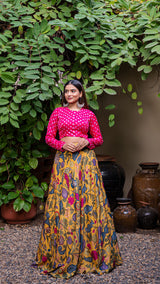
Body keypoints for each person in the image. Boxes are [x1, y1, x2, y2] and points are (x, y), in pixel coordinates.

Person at [35, 79, 122, 278]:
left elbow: (98, 139)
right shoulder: (58, 112)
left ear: (81, 93)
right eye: (66, 91)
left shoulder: (88, 114)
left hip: (85, 163)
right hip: (64, 162)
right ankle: (63, 254)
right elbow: (49, 138)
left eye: (73, 91)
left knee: (88, 202)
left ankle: (89, 256)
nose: (69, 94)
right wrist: (61, 145)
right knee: (64, 204)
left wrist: (85, 141)